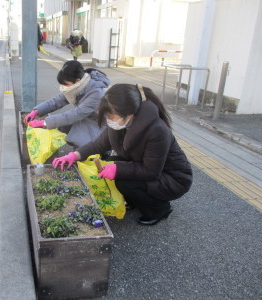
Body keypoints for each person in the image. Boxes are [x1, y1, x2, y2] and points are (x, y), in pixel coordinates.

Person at [52, 84, 193, 226]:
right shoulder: (121, 122)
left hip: (173, 179)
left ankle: (160, 209)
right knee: (111, 162)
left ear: (129, 114)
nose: (108, 120)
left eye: (110, 116)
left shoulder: (157, 130)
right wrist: (74, 155)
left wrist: (117, 170)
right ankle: (135, 200)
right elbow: (98, 145)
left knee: (121, 177)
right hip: (150, 169)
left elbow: (151, 172)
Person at [23, 60, 110, 149]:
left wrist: (44, 122)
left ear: (77, 80)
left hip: (97, 125)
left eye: (66, 84)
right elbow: (57, 101)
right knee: (64, 126)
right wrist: (36, 111)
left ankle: (91, 155)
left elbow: (75, 114)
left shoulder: (96, 93)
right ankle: (78, 154)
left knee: (83, 145)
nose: (63, 88)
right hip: (85, 118)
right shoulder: (78, 87)